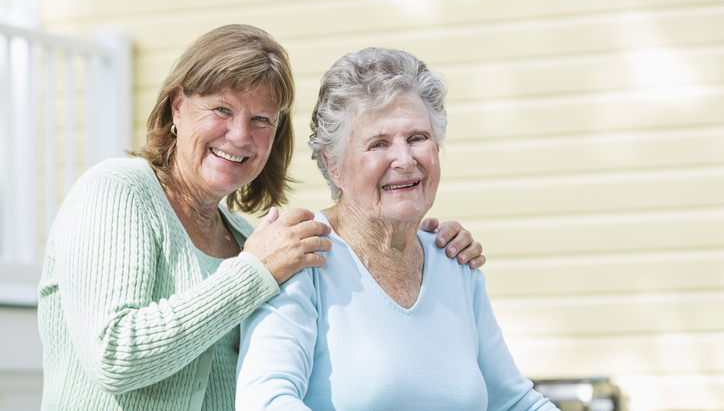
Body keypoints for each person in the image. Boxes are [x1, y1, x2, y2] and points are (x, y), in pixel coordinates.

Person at [36, 25, 484, 411]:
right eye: (222, 110)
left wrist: (419, 242)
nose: (239, 135)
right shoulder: (118, 190)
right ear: (177, 108)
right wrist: (252, 273)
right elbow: (115, 353)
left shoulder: (245, 239)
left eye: (261, 119)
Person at [235, 47, 557, 410]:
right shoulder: (298, 252)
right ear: (333, 164)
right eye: (379, 144)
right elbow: (265, 401)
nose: (405, 160)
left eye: (417, 138)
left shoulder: (454, 260)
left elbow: (514, 402)